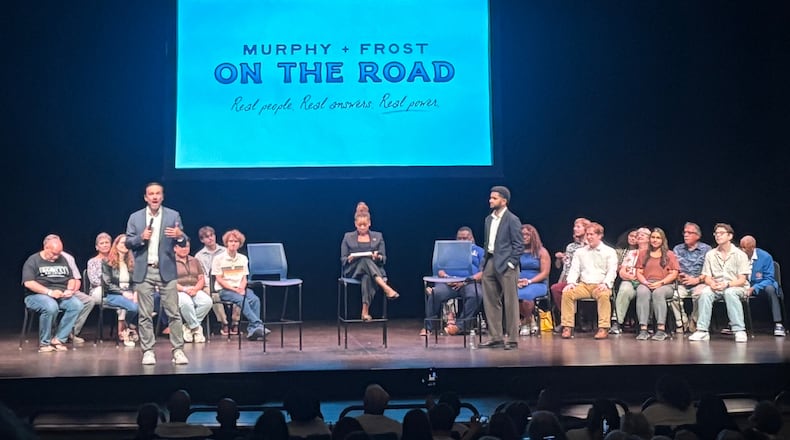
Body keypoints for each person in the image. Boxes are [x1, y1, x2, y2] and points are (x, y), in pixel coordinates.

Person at [125, 182, 189, 365]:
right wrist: (140, 238)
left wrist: (179, 235)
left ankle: (178, 350)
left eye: (158, 193)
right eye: (151, 194)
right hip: (144, 270)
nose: (154, 197)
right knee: (145, 314)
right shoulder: (135, 217)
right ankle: (148, 351)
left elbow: (184, 242)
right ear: (145, 197)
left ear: (162, 196)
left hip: (166, 269)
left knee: (173, 312)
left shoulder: (173, 215)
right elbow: (128, 242)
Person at [21, 234, 84, 352]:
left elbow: (71, 278)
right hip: (36, 295)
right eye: (53, 253)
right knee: (51, 306)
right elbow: (28, 283)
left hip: (60, 294)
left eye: (58, 253)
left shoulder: (62, 259)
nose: (56, 257)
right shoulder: (33, 260)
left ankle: (59, 339)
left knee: (77, 305)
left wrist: (69, 290)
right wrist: (49, 292)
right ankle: (45, 343)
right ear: (45, 248)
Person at [689, 223, 750, 343]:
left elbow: (742, 279)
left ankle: (739, 330)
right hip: (716, 286)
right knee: (705, 292)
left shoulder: (740, 254)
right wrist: (711, 284)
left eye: (721, 233)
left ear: (730, 236)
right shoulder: (711, 254)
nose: (718, 236)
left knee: (730, 293)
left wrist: (727, 284)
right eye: (716, 233)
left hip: (735, 286)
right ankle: (702, 330)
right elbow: (707, 276)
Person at [480, 186, 524, 350]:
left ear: (504, 201)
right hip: (491, 261)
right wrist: (484, 263)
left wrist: (512, 263)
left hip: (506, 263)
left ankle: (512, 339)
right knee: (491, 300)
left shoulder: (512, 219)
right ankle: (496, 337)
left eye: (494, 198)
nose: (490, 200)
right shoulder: (488, 219)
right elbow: (487, 243)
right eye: (490, 198)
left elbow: (518, 245)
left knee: (510, 301)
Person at [421, 226, 484, 336]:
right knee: (435, 293)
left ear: (472, 238)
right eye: (460, 238)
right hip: (448, 283)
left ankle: (459, 327)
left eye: (465, 238)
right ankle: (428, 327)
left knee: (476, 294)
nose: (462, 241)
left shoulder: (479, 251)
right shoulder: (449, 251)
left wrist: (466, 281)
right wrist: (446, 278)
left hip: (468, 283)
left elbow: (483, 272)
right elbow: (439, 269)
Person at [560, 222, 618, 340]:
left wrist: (606, 283)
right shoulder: (580, 252)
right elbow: (574, 269)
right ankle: (567, 327)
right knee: (567, 293)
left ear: (600, 235)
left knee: (604, 295)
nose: (589, 237)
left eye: (592, 234)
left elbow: (612, 270)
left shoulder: (609, 251)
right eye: (587, 234)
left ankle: (603, 328)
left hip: (600, 284)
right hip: (584, 285)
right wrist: (571, 283)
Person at [341, 211, 399, 321]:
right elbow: (343, 259)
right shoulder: (348, 237)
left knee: (367, 276)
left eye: (365, 225)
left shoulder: (378, 236)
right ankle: (385, 287)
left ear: (369, 223)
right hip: (353, 270)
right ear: (355, 224)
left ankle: (365, 312)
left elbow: (383, 258)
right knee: (364, 260)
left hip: (372, 270)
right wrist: (349, 258)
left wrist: (377, 257)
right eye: (359, 225)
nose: (362, 227)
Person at [212, 229, 270, 340]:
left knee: (255, 300)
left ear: (239, 244)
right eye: (231, 241)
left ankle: (253, 330)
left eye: (236, 241)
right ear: (226, 243)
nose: (233, 243)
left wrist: (242, 288)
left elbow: (244, 277)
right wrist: (235, 290)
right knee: (241, 299)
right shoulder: (218, 259)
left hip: (240, 288)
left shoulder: (243, 258)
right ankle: (258, 324)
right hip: (225, 290)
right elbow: (219, 279)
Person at [633, 228, 679, 341]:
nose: (655, 240)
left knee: (658, 293)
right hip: (647, 282)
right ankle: (643, 329)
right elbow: (639, 272)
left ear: (662, 240)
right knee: (641, 291)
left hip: (665, 284)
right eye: (653, 237)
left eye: (658, 238)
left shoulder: (669, 254)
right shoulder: (643, 254)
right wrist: (645, 282)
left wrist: (661, 283)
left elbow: (674, 273)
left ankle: (661, 329)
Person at [196, 225, 239, 336]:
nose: (210, 238)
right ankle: (224, 322)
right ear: (202, 240)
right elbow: (202, 275)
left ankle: (235, 322)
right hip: (209, 284)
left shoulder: (225, 251)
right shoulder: (199, 256)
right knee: (213, 294)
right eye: (207, 237)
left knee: (238, 291)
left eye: (212, 235)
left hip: (227, 281)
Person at [739, 235, 785, 336]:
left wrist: (754, 288)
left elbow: (769, 279)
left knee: (771, 289)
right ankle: (734, 324)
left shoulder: (765, 257)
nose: (742, 251)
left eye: (744, 248)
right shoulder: (739, 256)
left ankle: (778, 323)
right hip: (745, 285)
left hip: (762, 286)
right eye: (740, 247)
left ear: (752, 248)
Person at [672, 222, 713, 333]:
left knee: (700, 295)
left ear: (698, 236)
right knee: (674, 296)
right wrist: (679, 275)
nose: (686, 235)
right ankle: (682, 322)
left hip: (700, 281)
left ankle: (694, 320)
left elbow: (709, 270)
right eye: (685, 232)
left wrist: (697, 279)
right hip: (682, 282)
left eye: (689, 233)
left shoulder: (707, 249)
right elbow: (675, 267)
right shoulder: (677, 249)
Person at [102, 234, 140, 347]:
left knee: (148, 303)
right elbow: (107, 284)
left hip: (130, 293)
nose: (125, 245)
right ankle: (126, 330)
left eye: (127, 243)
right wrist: (123, 293)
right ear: (116, 245)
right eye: (122, 243)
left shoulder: (132, 262)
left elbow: (136, 282)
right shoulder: (107, 262)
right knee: (133, 307)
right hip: (114, 294)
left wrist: (136, 293)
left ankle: (129, 327)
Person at [611, 227, 650, 334]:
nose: (639, 236)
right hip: (630, 280)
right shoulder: (632, 253)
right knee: (624, 289)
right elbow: (622, 271)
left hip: (646, 282)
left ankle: (646, 324)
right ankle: (617, 322)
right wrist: (629, 276)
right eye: (638, 234)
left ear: (649, 238)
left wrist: (641, 279)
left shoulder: (653, 253)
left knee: (644, 291)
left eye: (643, 234)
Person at [550, 218, 591, 319]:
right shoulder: (570, 247)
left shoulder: (591, 245)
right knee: (556, 288)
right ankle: (568, 317)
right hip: (569, 278)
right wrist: (561, 259)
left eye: (578, 227)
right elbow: (566, 265)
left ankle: (581, 318)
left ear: (586, 229)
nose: (575, 229)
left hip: (585, 279)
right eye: (574, 226)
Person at [175, 239, 212, 343]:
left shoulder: (194, 260)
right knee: (187, 303)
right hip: (178, 290)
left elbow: (201, 278)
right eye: (182, 247)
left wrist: (195, 289)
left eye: (186, 246)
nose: (184, 249)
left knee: (207, 302)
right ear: (175, 248)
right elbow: (170, 282)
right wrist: (184, 289)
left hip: (194, 288)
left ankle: (188, 326)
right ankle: (196, 328)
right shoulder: (170, 262)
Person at [517, 224, 550, 336]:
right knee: (510, 295)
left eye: (527, 234)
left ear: (533, 236)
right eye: (522, 235)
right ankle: (530, 318)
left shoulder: (541, 252)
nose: (524, 237)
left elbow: (545, 273)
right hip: (519, 282)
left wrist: (529, 281)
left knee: (526, 297)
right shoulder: (517, 252)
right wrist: (517, 281)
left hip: (537, 283)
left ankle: (525, 322)